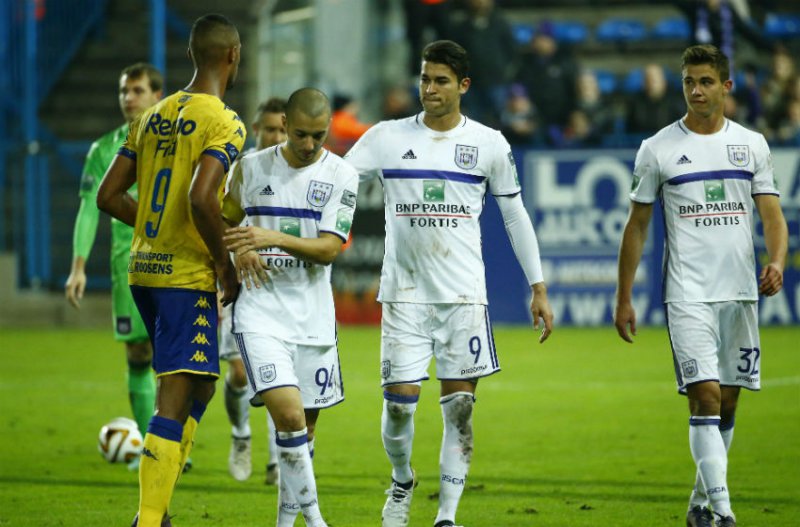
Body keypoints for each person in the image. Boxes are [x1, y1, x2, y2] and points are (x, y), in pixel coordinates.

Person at [344, 40, 554, 527]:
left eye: (440, 80)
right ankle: (401, 480)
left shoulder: (488, 143)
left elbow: (515, 216)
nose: (429, 89)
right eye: (424, 79)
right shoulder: (386, 137)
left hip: (463, 297)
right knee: (399, 407)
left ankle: (447, 515)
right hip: (405, 294)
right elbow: (335, 177)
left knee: (459, 408)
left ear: (463, 86)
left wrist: (537, 286)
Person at [615, 44, 788, 527]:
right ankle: (725, 512)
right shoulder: (658, 148)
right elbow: (637, 226)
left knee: (727, 402)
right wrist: (624, 296)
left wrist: (776, 260)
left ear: (726, 86)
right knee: (706, 396)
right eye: (689, 81)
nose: (696, 90)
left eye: (706, 81)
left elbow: (772, 217)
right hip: (686, 293)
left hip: (739, 292)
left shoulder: (751, 144)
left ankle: (700, 503)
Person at [96, 13, 246, 526]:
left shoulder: (151, 115)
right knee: (176, 394)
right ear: (233, 56)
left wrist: (158, 228)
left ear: (191, 55)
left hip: (143, 269)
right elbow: (202, 198)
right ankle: (149, 517)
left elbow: (108, 195)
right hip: (184, 276)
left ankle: (155, 507)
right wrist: (224, 266)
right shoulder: (224, 121)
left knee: (200, 384)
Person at [222, 87, 357, 527]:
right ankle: (317, 521)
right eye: (300, 134)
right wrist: (236, 250)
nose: (309, 144)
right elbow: (220, 223)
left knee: (302, 431)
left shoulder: (342, 174)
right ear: (284, 127)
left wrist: (272, 237)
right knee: (290, 416)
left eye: (318, 135)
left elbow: (329, 249)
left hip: (314, 318)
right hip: (260, 312)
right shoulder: (250, 168)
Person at [64, 63, 163, 463]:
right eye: (124, 91)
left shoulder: (175, 141)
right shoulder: (104, 149)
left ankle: (172, 443)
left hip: (174, 262)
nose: (129, 98)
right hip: (128, 268)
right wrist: (78, 266)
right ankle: (152, 450)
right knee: (139, 355)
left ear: (158, 94)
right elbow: (90, 209)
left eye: (137, 90)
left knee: (177, 362)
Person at [221, 97, 287, 484]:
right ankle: (240, 434)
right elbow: (220, 220)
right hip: (240, 284)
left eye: (282, 129)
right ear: (256, 129)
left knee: (278, 375)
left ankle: (278, 459)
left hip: (280, 287)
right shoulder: (240, 169)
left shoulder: (298, 170)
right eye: (269, 129)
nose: (276, 136)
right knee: (241, 374)